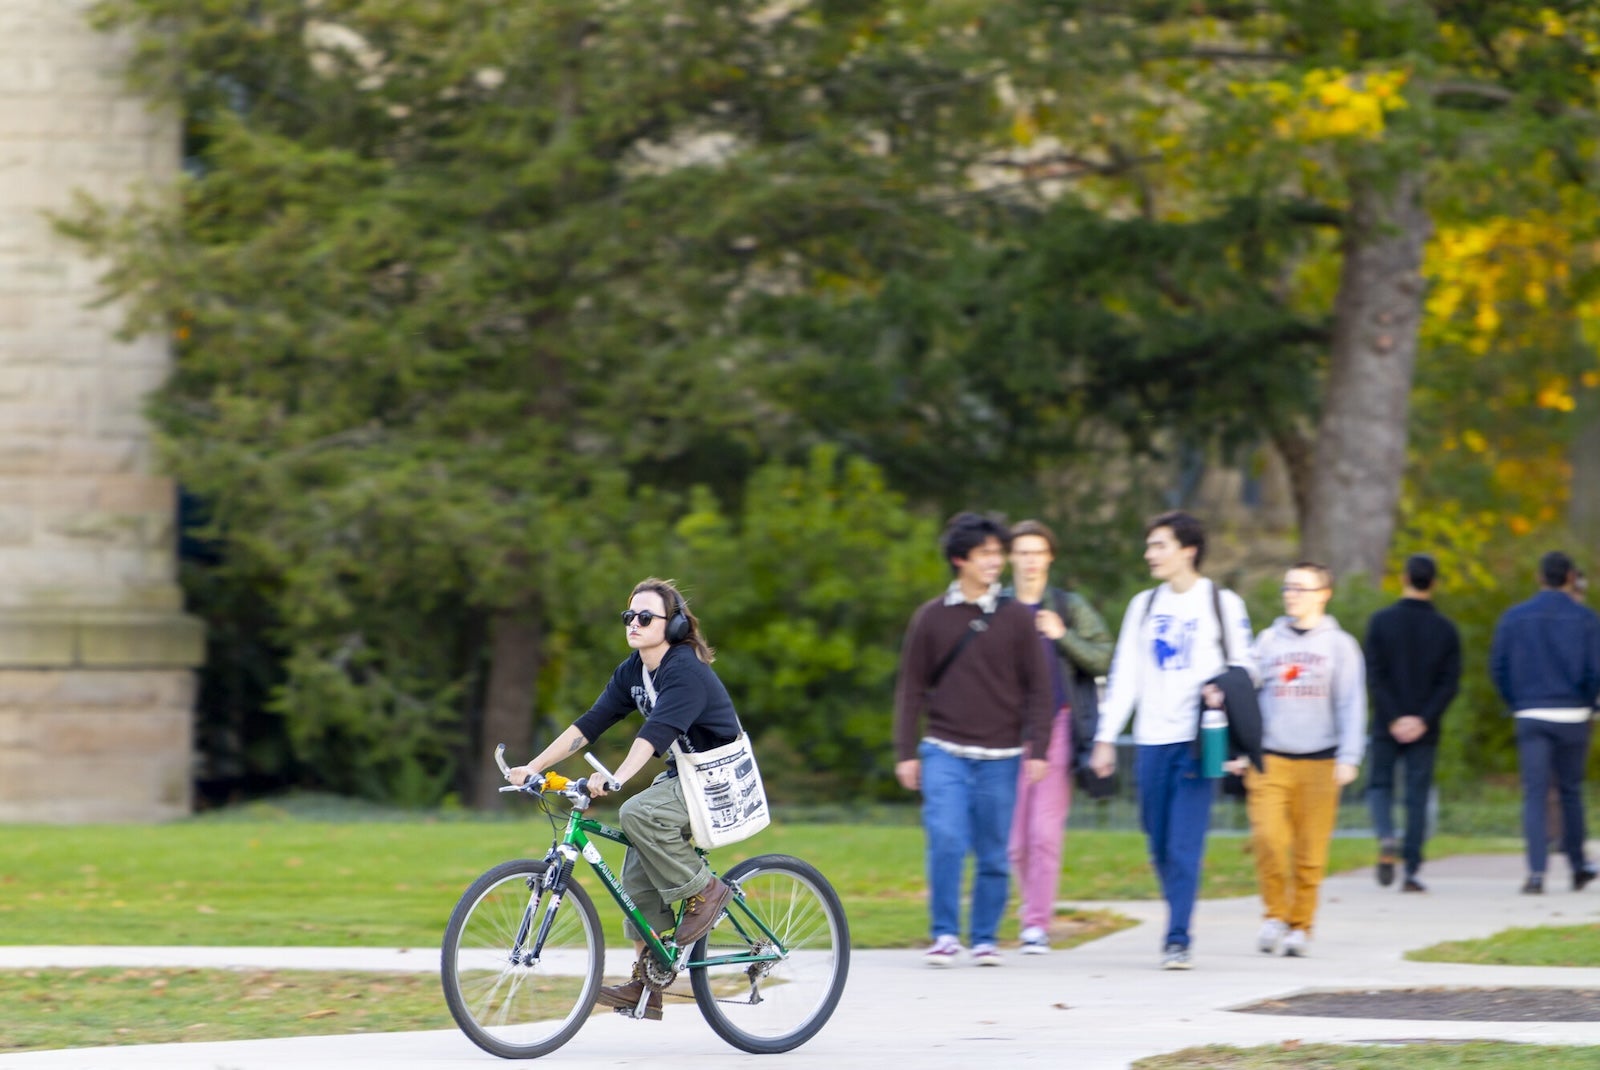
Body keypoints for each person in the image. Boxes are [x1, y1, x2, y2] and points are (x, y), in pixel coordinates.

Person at [506, 578, 742, 1021]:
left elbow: (653, 738)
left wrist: (614, 778)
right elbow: (588, 726)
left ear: (671, 626)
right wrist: (532, 767)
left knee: (637, 811)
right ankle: (648, 985)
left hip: (719, 780)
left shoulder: (685, 671)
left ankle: (706, 892)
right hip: (684, 776)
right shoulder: (633, 671)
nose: (634, 623)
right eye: (629, 616)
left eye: (645, 617)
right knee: (636, 866)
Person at [1089, 510, 1255, 970]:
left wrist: (1223, 686)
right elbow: (1125, 677)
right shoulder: (1143, 606)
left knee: (1185, 842)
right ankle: (1177, 911)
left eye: (1159, 545)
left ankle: (1178, 937)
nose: (1150, 554)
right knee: (1158, 841)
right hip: (1151, 740)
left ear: (1188, 549)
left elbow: (1249, 667)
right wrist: (1106, 738)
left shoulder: (1222, 603)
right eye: (1149, 546)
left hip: (1202, 739)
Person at [895, 511, 1054, 967]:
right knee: (945, 839)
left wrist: (1039, 747)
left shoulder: (1018, 619)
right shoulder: (930, 618)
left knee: (992, 852)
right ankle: (945, 933)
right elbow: (911, 689)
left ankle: (985, 936)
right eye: (987, 554)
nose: (996, 562)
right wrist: (907, 752)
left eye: (998, 554)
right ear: (959, 559)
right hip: (944, 750)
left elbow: (1039, 688)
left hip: (1002, 756)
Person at [1238, 562, 1365, 958]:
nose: (1291, 594)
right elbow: (1246, 697)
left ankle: (1300, 925)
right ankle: (1274, 914)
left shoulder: (1339, 645)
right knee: (1268, 840)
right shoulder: (1267, 641)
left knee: (1310, 851)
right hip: (1271, 759)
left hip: (1321, 761)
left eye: (1300, 588)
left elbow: (1351, 704)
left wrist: (1349, 755)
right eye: (1287, 587)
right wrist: (1242, 748)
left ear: (1323, 594)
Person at [1003, 519, 1113, 954]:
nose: (1031, 560)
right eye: (1023, 552)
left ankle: (1036, 923)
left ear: (1050, 557)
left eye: (1038, 552)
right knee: (1013, 843)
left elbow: (1104, 655)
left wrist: (1061, 634)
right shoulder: (998, 607)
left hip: (1059, 726)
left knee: (1044, 834)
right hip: (1007, 733)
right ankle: (1029, 906)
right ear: (1012, 558)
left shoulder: (1068, 607)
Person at [1489, 550, 1600, 895]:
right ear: (1569, 577)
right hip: (1572, 713)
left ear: (1540, 577)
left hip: (1531, 713)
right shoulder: (1586, 619)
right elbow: (1595, 670)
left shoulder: (1514, 618)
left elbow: (1499, 666)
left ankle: (1536, 873)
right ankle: (1577, 865)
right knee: (1570, 792)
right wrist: (1587, 702)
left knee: (1535, 794)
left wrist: (1516, 701)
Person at [1364, 553, 1461, 894]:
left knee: (1379, 786)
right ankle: (1412, 869)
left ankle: (1387, 834)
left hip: (1386, 725)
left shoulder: (1380, 623)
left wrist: (1393, 717)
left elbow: (1374, 676)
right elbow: (1449, 684)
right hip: (1425, 728)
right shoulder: (1446, 630)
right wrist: (1422, 719)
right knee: (1417, 798)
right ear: (1433, 583)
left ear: (1405, 578)